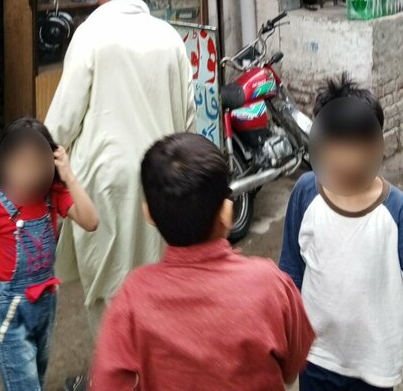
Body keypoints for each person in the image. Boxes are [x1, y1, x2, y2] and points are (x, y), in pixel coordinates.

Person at [45, 0, 195, 336]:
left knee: (109, 286)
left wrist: (43, 161)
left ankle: (117, 373)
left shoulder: (91, 34)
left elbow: (64, 117)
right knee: (156, 276)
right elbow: (189, 117)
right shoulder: (168, 36)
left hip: (105, 180)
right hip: (164, 177)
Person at [91, 133, 314, 390]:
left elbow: (107, 382)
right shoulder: (271, 284)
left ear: (148, 214)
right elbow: (294, 363)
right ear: (227, 214)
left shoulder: (132, 297)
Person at [0, 119, 98, 391]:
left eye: (35, 165)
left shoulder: (53, 196)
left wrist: (69, 175)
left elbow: (91, 221)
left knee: (35, 379)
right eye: (19, 164)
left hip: (46, 305)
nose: (26, 174)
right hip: (10, 309)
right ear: (4, 164)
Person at [279, 75, 403, 391]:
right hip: (316, 356)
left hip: (374, 365)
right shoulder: (306, 193)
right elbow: (291, 271)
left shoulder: (395, 209)